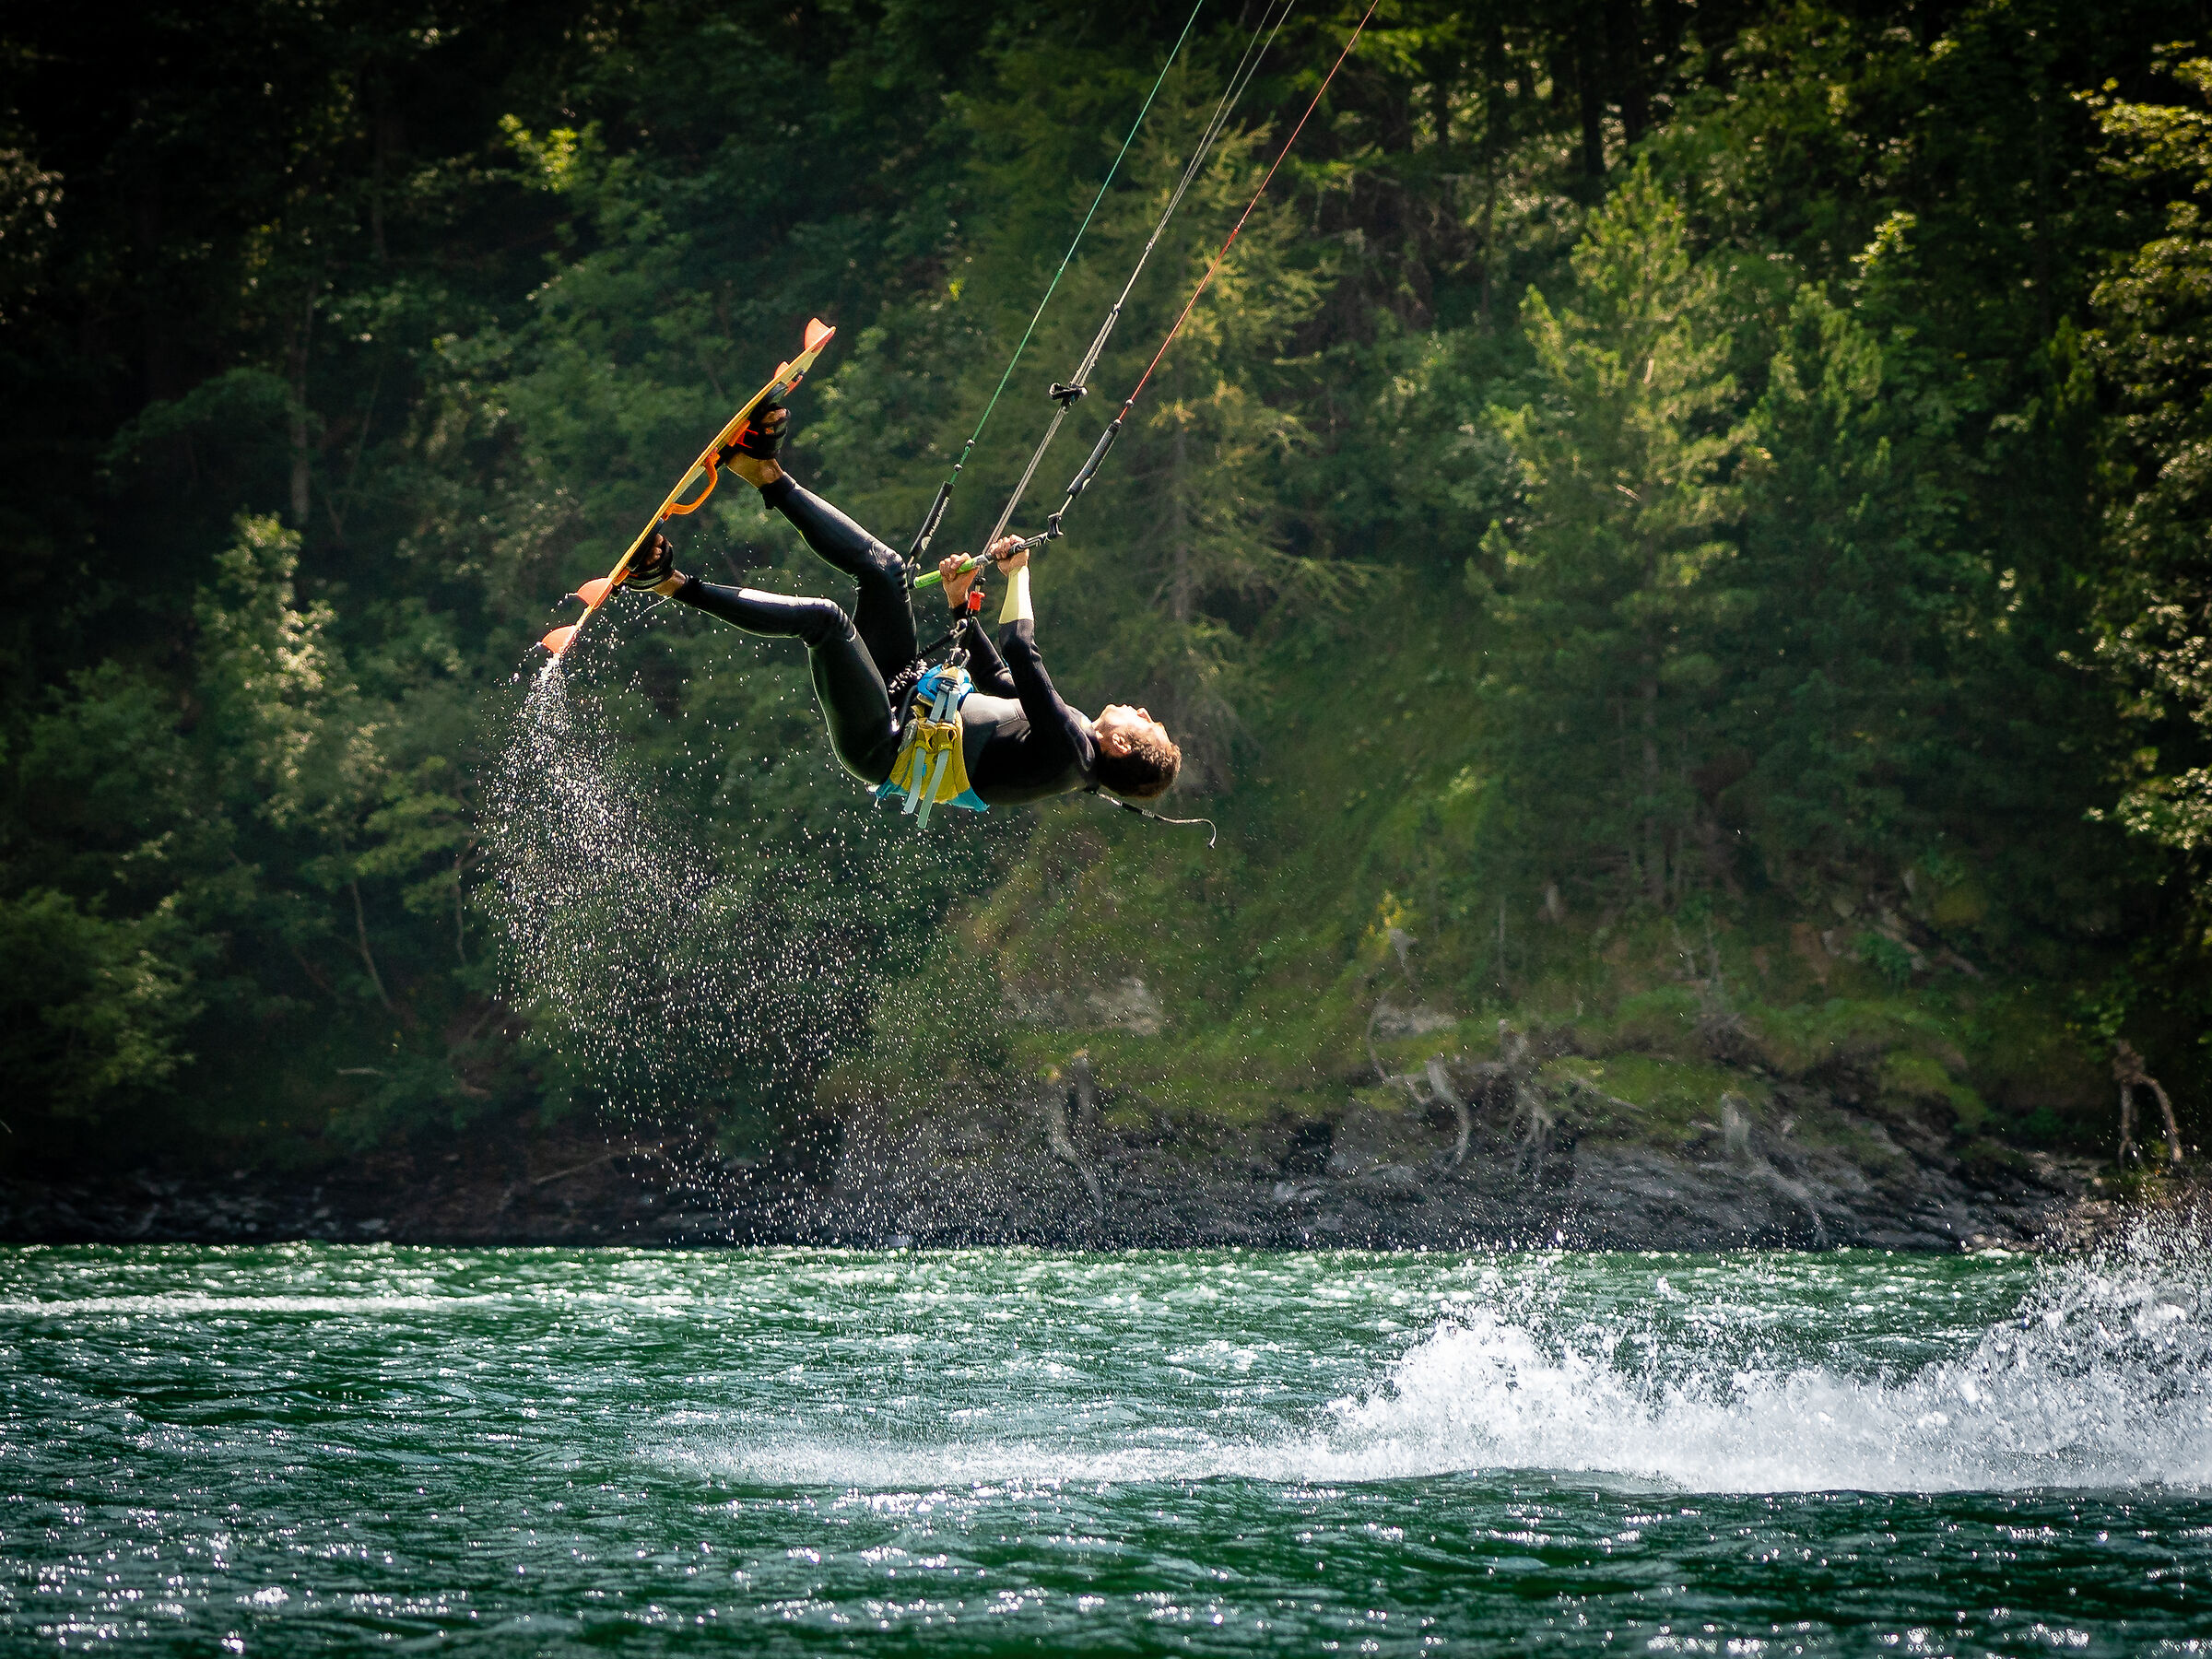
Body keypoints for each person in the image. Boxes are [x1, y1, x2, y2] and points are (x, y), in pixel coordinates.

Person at [621, 401, 1182, 807]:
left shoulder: (1069, 755)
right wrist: (961, 606)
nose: (1146, 711)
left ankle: (668, 583)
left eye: (1149, 724)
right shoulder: (1075, 737)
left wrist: (1020, 577)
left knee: (826, 621)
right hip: (906, 688)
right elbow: (1001, 679)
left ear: (1123, 744)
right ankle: (761, 471)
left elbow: (1021, 647)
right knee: (886, 570)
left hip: (882, 742)